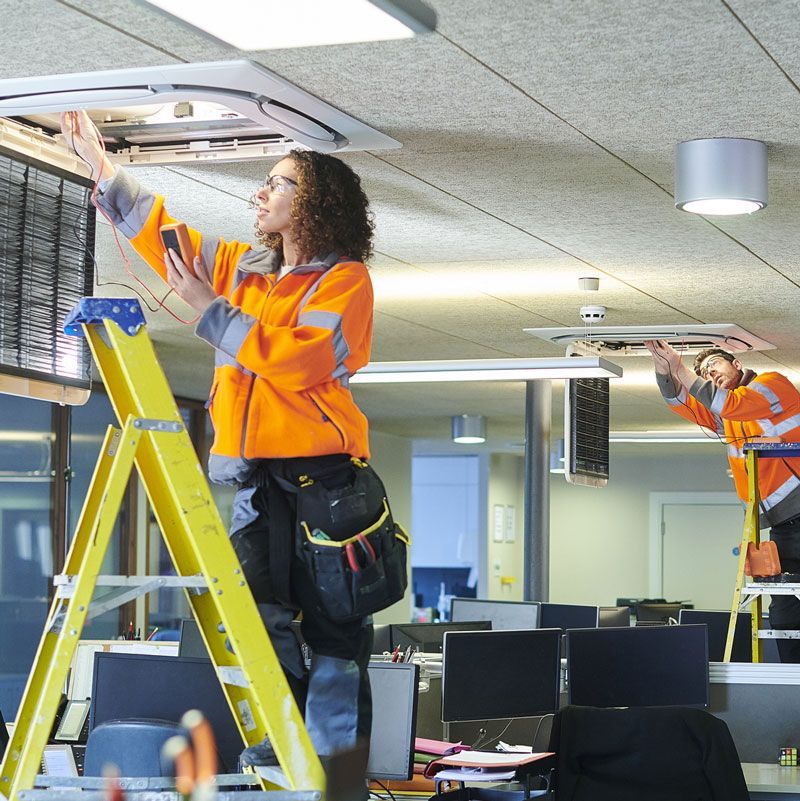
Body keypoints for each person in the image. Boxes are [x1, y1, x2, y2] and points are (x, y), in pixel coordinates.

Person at [60, 110, 379, 767]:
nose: (260, 193)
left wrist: (213, 312)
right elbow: (166, 236)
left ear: (314, 204)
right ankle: (289, 741)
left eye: (277, 183)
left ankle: (337, 768)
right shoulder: (244, 270)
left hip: (327, 482)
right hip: (258, 482)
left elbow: (300, 360)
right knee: (261, 620)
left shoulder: (346, 281)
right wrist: (101, 165)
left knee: (334, 638)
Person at [646, 339, 800, 662]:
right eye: (702, 371)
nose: (708, 373)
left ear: (738, 365)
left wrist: (684, 370)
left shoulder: (771, 386)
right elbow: (682, 402)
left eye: (714, 365)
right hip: (782, 526)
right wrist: (665, 370)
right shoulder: (730, 417)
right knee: (786, 617)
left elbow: (728, 403)